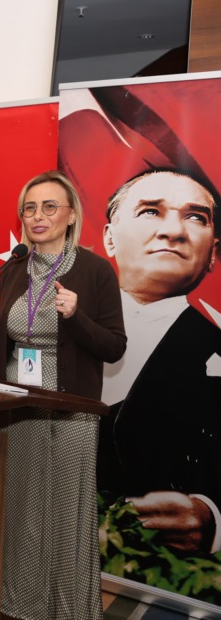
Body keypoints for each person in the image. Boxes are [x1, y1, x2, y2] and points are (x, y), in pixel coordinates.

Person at [0, 171, 126, 619]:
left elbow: (114, 347)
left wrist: (76, 315)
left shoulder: (96, 270)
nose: (37, 216)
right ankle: (21, 603)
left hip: (70, 410)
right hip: (17, 407)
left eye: (49, 207)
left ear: (71, 215)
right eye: (29, 208)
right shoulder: (14, 267)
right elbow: (13, 339)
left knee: (62, 514)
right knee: (21, 509)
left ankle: (66, 608)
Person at [99, 168, 221, 554]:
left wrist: (212, 517)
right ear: (109, 238)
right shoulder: (55, 328)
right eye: (151, 211)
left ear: (213, 254)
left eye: (195, 217)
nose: (173, 231)